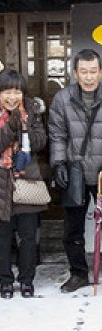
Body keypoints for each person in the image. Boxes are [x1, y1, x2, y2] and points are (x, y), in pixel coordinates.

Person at [48, 48, 102, 294]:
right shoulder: (62, 99)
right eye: (83, 72)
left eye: (93, 71)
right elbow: (57, 134)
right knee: (72, 228)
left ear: (101, 72)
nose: (88, 77)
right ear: (75, 73)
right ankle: (78, 273)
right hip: (75, 173)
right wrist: (59, 164)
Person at [0, 70, 48, 299]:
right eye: (7, 92)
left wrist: (25, 126)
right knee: (3, 236)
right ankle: (5, 281)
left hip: (27, 180)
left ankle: (27, 280)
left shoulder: (32, 111)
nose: (12, 96)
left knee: (29, 236)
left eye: (16, 91)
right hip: (2, 183)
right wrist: (11, 125)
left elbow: (40, 142)